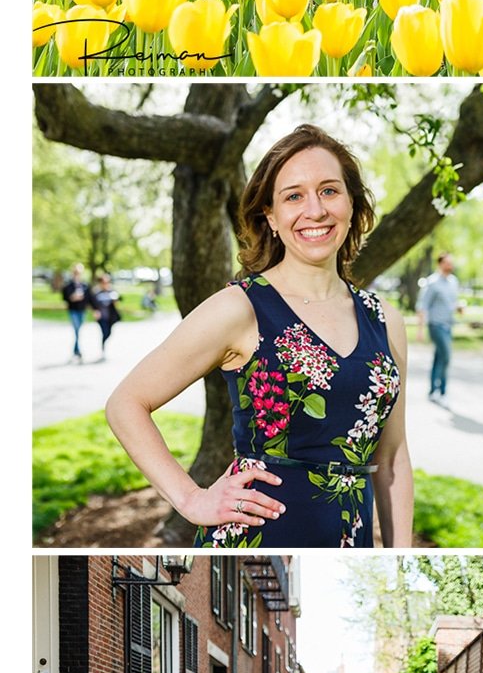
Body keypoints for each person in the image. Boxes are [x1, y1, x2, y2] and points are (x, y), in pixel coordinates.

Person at [105, 125, 413, 549]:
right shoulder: (240, 308)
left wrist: (395, 557)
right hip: (254, 539)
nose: (315, 210)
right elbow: (126, 404)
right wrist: (191, 499)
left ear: (351, 202)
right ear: (270, 215)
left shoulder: (385, 321)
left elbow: (392, 457)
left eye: (329, 190)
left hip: (349, 543)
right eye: (293, 196)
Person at [416, 250, 462, 400]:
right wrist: (420, 330)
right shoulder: (432, 282)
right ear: (440, 264)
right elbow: (423, 306)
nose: (450, 265)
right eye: (448, 263)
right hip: (436, 326)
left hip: (449, 325)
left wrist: (459, 308)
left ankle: (434, 391)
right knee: (447, 355)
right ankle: (441, 391)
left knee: (439, 357)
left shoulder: (453, 281)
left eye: (451, 263)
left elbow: (451, 303)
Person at [61, 264, 94, 361]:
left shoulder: (85, 285)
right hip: (73, 310)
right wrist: (72, 297)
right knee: (76, 329)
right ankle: (77, 350)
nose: (77, 274)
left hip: (82, 310)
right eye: (76, 272)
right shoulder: (68, 285)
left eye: (79, 273)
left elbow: (89, 298)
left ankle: (76, 350)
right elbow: (65, 297)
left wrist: (94, 309)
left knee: (78, 330)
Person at [92, 271, 121, 361]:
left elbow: (117, 303)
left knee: (109, 333)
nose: (105, 284)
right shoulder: (96, 292)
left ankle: (104, 347)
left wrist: (115, 301)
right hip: (101, 317)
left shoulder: (112, 291)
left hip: (110, 316)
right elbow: (92, 303)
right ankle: (103, 349)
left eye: (107, 282)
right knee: (104, 332)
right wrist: (95, 311)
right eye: (103, 282)